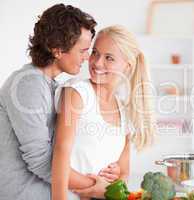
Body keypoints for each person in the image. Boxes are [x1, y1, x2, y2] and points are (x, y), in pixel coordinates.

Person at [0, 4, 118, 200]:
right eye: (83, 50)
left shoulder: (53, 85)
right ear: (57, 50)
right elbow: (41, 161)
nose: (87, 57)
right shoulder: (28, 84)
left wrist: (106, 173)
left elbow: (67, 148)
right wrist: (97, 186)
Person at [51, 25, 156, 200]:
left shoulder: (125, 111)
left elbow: (123, 173)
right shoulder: (77, 93)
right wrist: (98, 188)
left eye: (109, 58)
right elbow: (59, 157)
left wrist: (113, 182)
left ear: (127, 66)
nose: (97, 62)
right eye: (95, 53)